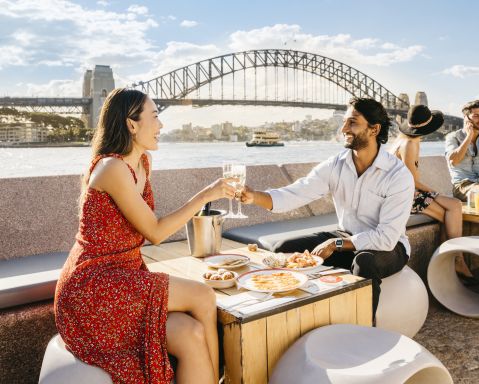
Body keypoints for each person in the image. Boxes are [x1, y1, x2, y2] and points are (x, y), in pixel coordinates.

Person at [54, 88, 236, 384]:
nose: (161, 125)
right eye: (154, 117)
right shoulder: (111, 167)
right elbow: (155, 232)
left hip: (123, 276)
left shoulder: (141, 163)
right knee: (203, 296)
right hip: (93, 288)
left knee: (191, 333)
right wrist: (206, 194)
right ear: (131, 124)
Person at [241, 97, 414, 322]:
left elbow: (386, 238)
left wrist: (336, 244)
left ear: (374, 129)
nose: (343, 129)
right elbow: (295, 193)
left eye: (352, 122)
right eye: (344, 122)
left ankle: (363, 333)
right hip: (347, 239)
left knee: (365, 262)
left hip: (389, 248)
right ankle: (286, 323)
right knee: (283, 248)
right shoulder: (336, 165)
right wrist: (254, 196)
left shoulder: (397, 175)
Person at [390, 105, 477, 285]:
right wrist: (434, 193)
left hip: (404, 193)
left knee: (453, 207)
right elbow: (411, 181)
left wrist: (433, 194)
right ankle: (456, 261)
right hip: (403, 196)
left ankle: (449, 262)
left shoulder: (403, 140)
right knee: (452, 208)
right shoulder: (410, 144)